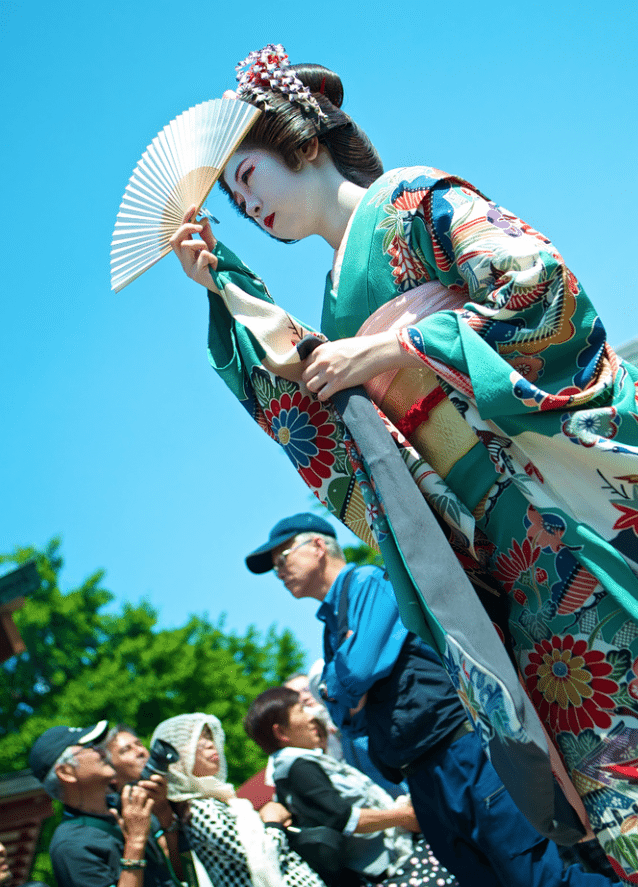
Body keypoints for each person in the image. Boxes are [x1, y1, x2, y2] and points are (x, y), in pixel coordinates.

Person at [169, 44, 638, 880]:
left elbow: (540, 295)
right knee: (600, 771)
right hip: (493, 552)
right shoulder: (329, 303)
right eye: (235, 201)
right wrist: (221, 285)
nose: (248, 205)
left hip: (555, 500)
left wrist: (383, 348)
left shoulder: (419, 200)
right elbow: (314, 406)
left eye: (248, 177)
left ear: (301, 143)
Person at [245, 512, 619, 887]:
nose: (279, 571)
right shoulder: (331, 627)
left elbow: (356, 672)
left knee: (536, 880)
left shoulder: (372, 581)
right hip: (421, 778)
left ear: (317, 545)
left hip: (462, 751)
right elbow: (345, 717)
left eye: (282, 558)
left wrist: (339, 681)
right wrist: (342, 679)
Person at [245, 686, 458, 887]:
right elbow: (344, 818)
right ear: (282, 732)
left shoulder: (296, 766)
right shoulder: (297, 767)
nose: (312, 716)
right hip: (389, 869)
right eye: (301, 710)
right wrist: (407, 817)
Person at [150, 712, 326, 887]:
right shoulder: (199, 809)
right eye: (198, 740)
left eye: (210, 737)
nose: (211, 744)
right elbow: (257, 858)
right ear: (176, 759)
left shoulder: (219, 800)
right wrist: (273, 822)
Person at [28, 721, 177, 887]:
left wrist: (164, 811)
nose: (101, 751)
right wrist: (135, 842)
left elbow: (179, 870)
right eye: (89, 747)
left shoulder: (127, 808)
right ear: (66, 772)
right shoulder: (70, 845)